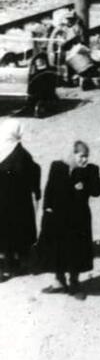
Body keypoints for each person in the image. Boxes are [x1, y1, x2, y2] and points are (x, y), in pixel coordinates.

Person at [36, 140, 100, 300]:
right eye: (81, 156)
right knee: (57, 250)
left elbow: (97, 191)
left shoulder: (91, 170)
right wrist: (47, 209)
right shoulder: (57, 166)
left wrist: (85, 184)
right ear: (73, 154)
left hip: (79, 220)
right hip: (58, 217)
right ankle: (59, 282)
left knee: (76, 251)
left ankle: (74, 284)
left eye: (86, 156)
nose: (84, 160)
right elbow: (49, 188)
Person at [0, 119, 41, 281]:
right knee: (17, 232)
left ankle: (6, 266)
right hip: (18, 202)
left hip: (2, 202)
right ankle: (16, 264)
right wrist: (36, 191)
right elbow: (34, 170)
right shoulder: (20, 154)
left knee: (4, 234)